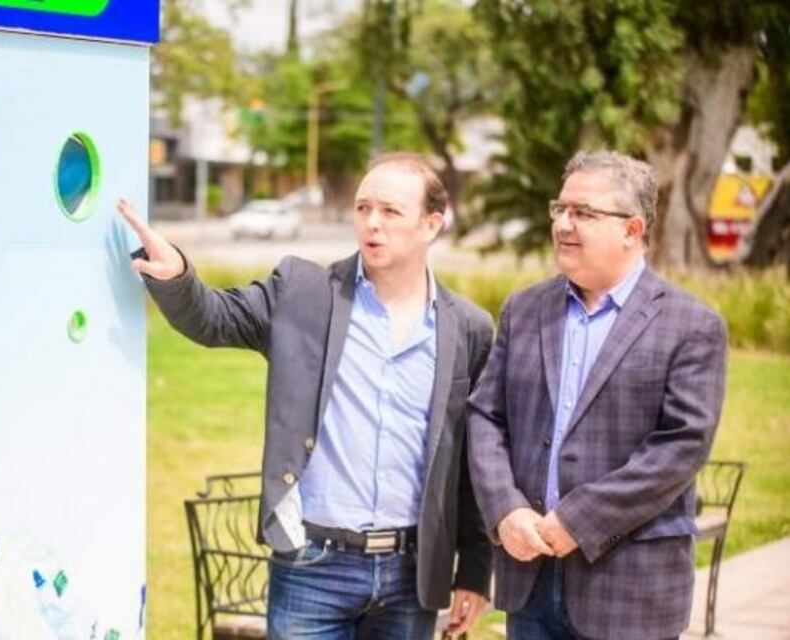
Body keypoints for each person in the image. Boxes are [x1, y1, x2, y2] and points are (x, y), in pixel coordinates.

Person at [119, 153, 493, 639]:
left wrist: (474, 571)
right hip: (312, 563)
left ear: (431, 224)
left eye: (390, 211)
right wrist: (177, 276)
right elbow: (214, 318)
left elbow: (473, 462)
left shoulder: (469, 328)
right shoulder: (305, 292)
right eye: (362, 208)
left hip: (410, 575)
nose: (371, 223)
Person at [467, 150, 728, 640]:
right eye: (560, 209)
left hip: (628, 591)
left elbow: (681, 448)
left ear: (633, 229)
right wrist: (505, 509)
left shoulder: (691, 326)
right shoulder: (524, 310)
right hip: (531, 578)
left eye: (583, 213)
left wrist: (578, 520)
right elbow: (485, 416)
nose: (564, 223)